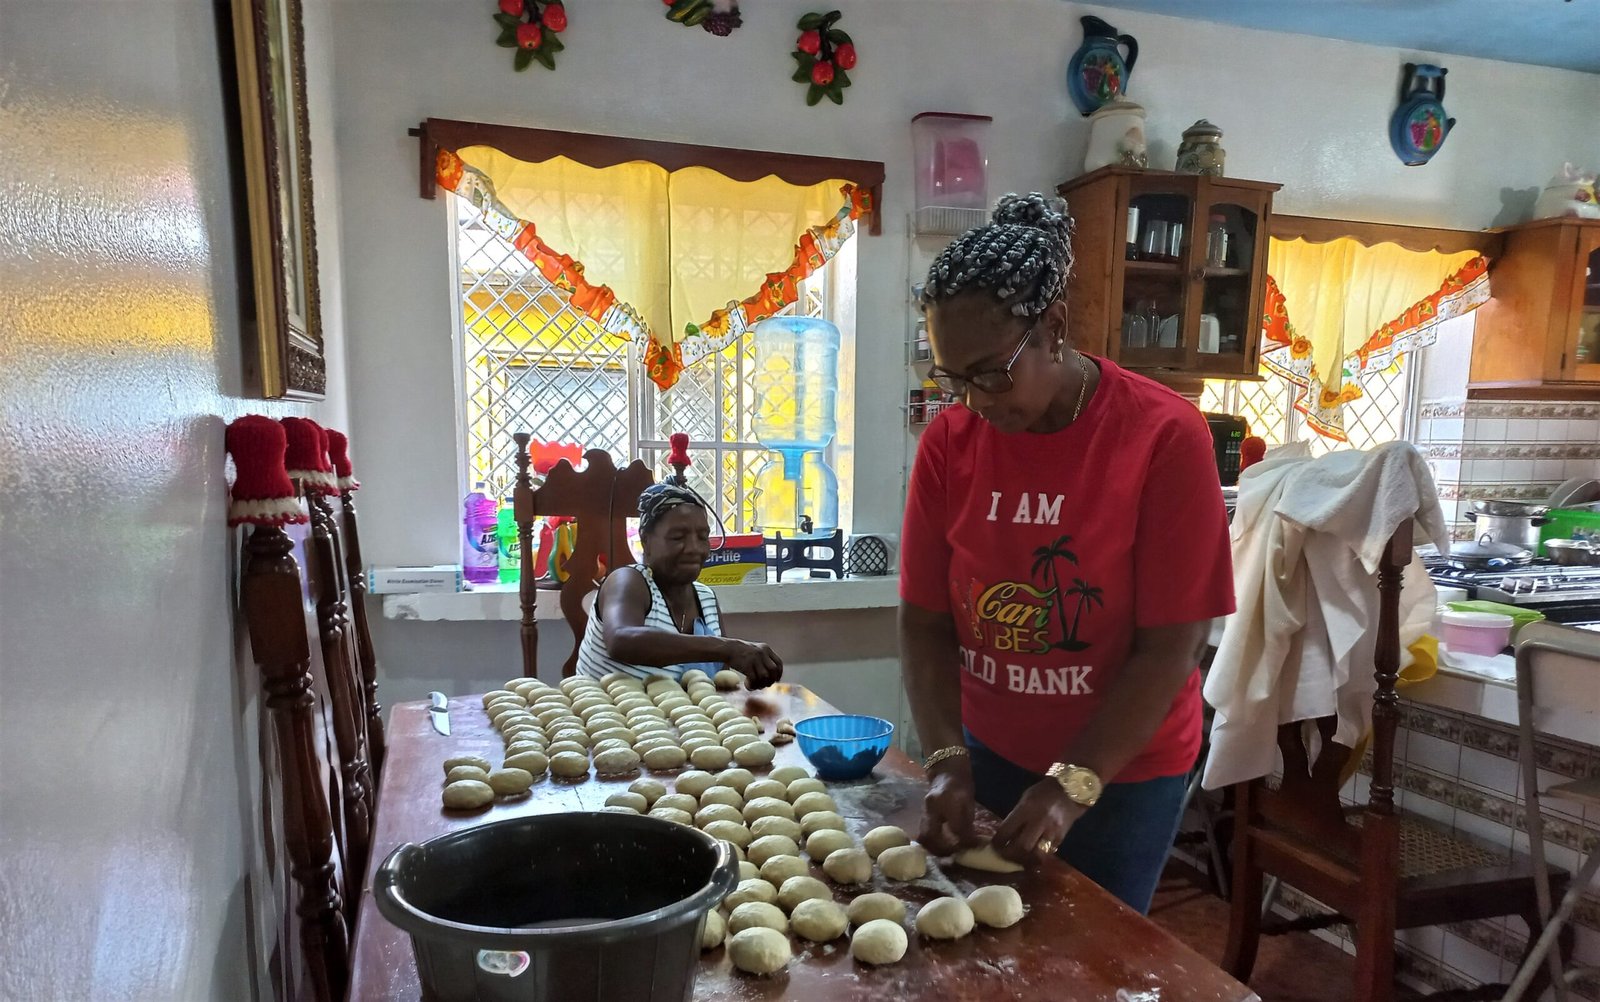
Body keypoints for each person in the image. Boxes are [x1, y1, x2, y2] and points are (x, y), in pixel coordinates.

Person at [898, 193, 1234, 914]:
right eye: (954, 379)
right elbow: (925, 623)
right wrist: (947, 759)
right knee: (988, 950)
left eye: (991, 373)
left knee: (1094, 963)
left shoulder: (1162, 437)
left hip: (1122, 770)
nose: (974, 400)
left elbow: (1172, 646)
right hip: (989, 747)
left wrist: (1071, 784)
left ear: (1053, 330)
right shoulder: (950, 444)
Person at [576, 482, 783, 686]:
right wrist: (728, 649)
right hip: (608, 716)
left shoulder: (706, 599)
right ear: (646, 541)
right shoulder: (629, 581)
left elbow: (717, 683)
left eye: (702, 537)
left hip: (681, 719)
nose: (694, 548)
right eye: (678, 537)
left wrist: (751, 676)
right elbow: (621, 640)